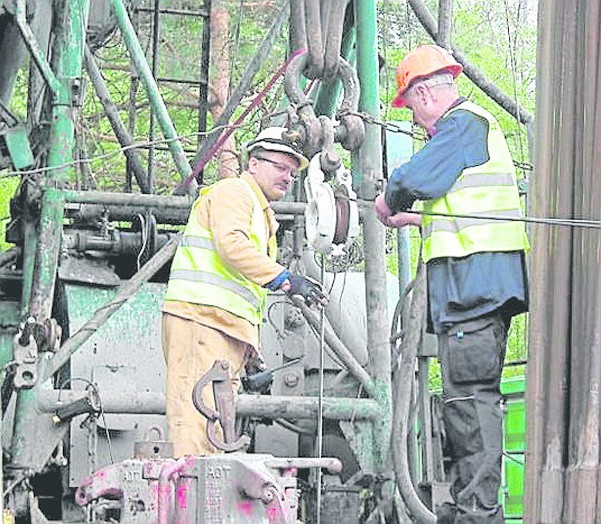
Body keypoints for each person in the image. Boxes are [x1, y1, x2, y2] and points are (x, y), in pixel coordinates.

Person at [375, 45, 529, 523]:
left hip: (473, 288)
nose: (419, 123)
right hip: (479, 285)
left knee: (470, 402)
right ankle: (472, 508)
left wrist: (388, 199)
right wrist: (416, 220)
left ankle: (477, 514)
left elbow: (415, 177)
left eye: (413, 109)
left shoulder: (463, 123)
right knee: (468, 399)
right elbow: (457, 206)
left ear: (423, 94)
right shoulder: (472, 132)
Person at [162, 127, 327, 457]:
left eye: (293, 173)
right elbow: (231, 247)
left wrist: (251, 353)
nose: (287, 177)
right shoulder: (234, 193)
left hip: (220, 327)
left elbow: (242, 290)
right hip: (201, 320)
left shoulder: (258, 211)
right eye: (280, 167)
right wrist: (284, 278)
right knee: (197, 427)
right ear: (253, 163)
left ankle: (202, 501)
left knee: (214, 428)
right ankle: (191, 502)